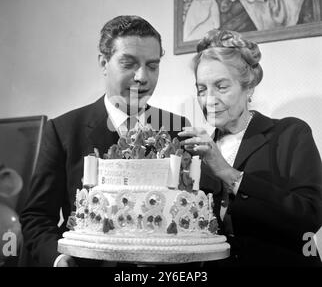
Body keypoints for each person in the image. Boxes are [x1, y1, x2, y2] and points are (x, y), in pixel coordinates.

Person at [20, 15, 190, 267]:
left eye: (152, 66)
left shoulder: (178, 128)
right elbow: (36, 216)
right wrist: (59, 260)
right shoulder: (63, 130)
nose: (142, 77)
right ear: (103, 62)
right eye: (129, 63)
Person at [178, 28, 322, 266]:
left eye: (221, 87)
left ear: (249, 87)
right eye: (201, 89)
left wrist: (229, 174)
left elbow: (311, 216)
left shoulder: (289, 134)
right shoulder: (198, 152)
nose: (208, 100)